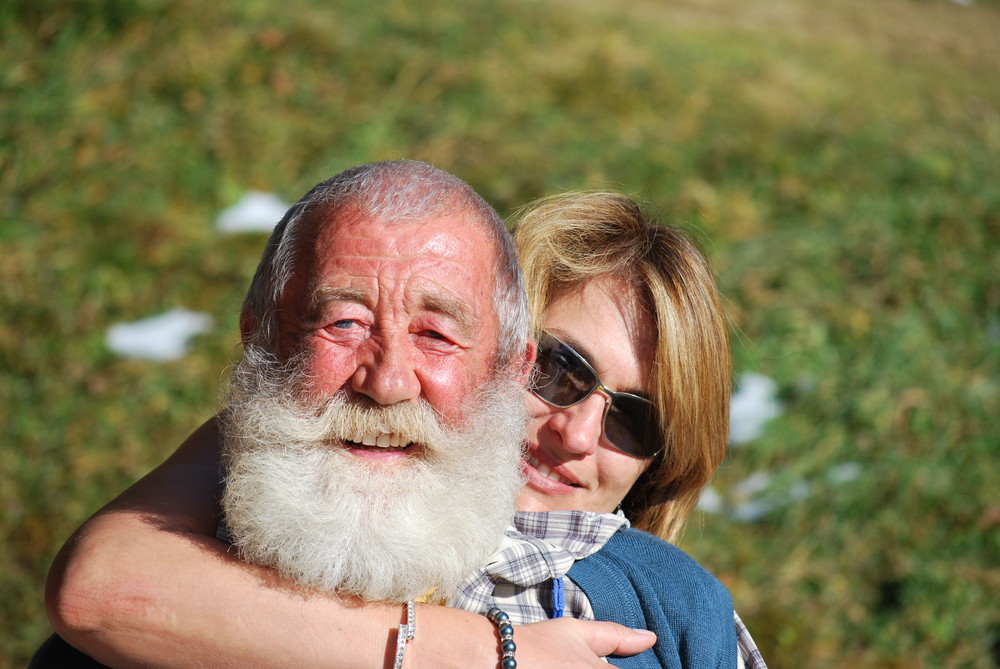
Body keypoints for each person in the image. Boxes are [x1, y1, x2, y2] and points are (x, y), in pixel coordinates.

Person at [39, 172, 764, 666]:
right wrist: (487, 649)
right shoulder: (293, 468)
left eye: (634, 421)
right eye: (561, 370)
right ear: (503, 351)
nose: (575, 434)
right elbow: (103, 585)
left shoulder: (667, 609)